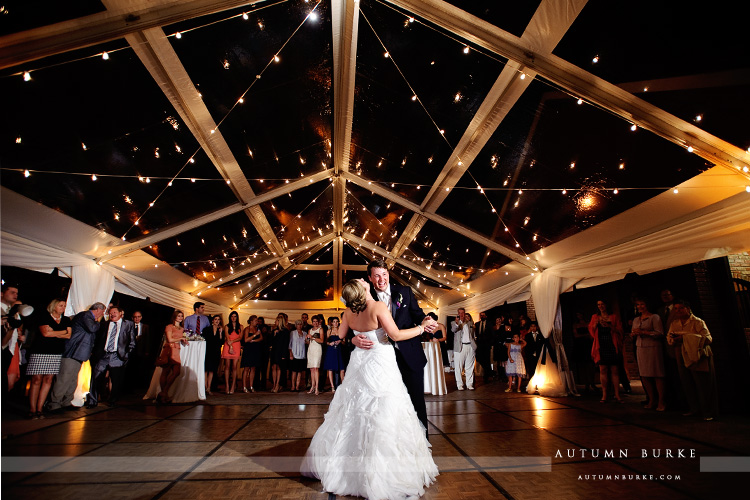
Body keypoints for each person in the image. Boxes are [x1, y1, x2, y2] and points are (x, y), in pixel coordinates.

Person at [301, 279, 438, 499]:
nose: (365, 279)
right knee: (384, 407)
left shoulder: (348, 312)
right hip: (381, 361)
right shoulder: (378, 307)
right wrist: (421, 328)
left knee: (353, 409)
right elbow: (395, 335)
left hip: (360, 363)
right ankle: (381, 471)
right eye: (362, 281)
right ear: (363, 289)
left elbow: (341, 336)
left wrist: (355, 338)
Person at [352, 259, 436, 433]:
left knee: (416, 402)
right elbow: (352, 325)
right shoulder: (365, 297)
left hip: (409, 356)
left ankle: (422, 446)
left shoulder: (404, 291)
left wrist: (426, 320)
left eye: (384, 274)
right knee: (386, 405)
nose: (381, 279)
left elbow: (418, 315)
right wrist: (353, 340)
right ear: (369, 278)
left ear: (388, 274)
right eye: (376, 276)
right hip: (381, 361)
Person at [47, 302, 106, 412]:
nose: (102, 314)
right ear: (98, 309)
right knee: (64, 378)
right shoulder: (86, 316)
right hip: (72, 351)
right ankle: (54, 403)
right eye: (102, 311)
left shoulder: (88, 317)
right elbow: (92, 328)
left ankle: (66, 401)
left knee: (73, 379)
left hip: (79, 353)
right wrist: (98, 322)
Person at [667, 300, 718, 421]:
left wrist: (686, 337)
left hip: (696, 354)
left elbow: (708, 338)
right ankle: (694, 408)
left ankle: (707, 411)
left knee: (702, 383)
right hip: (681, 353)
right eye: (676, 308)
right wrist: (675, 340)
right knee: (687, 382)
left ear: (688, 309)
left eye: (681, 308)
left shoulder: (697, 322)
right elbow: (669, 337)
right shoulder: (675, 323)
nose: (678, 311)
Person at [26, 299, 72, 419]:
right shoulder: (44, 317)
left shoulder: (66, 319)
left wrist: (54, 332)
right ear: (53, 306)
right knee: (36, 379)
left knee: (48, 379)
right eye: (60, 305)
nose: (63, 307)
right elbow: (45, 334)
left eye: (64, 306)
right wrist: (62, 332)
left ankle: (40, 408)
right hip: (40, 351)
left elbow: (69, 335)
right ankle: (32, 408)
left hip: (55, 352)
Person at [88, 305, 136, 407]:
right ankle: (92, 401)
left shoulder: (128, 324)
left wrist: (126, 355)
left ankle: (112, 400)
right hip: (104, 355)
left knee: (115, 380)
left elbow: (132, 341)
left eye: (114, 312)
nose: (112, 314)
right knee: (96, 378)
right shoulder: (104, 324)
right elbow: (98, 339)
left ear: (120, 314)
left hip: (117, 356)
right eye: (110, 313)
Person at [632, 298, 666, 411]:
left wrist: (644, 332)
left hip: (653, 347)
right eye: (638, 304)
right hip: (640, 347)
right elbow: (633, 331)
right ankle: (651, 399)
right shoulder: (636, 319)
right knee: (644, 374)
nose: (640, 306)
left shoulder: (654, 317)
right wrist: (634, 334)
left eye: (642, 304)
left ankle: (661, 401)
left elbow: (660, 333)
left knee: (657, 374)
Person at [589, 300, 625, 403]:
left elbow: (620, 330)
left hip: (612, 344)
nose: (601, 306)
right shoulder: (595, 317)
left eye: (602, 304)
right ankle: (604, 395)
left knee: (614, 370)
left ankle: (617, 394)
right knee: (603, 369)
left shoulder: (613, 317)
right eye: (599, 305)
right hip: (601, 346)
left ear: (606, 305)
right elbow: (591, 332)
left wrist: (609, 326)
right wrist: (595, 324)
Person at [2, 283, 31, 394]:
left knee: (8, 380)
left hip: (11, 347)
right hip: (7, 347)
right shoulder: (6, 313)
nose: (15, 295)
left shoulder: (15, 316)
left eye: (17, 293)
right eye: (12, 292)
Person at [155, 310, 186, 403]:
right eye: (179, 316)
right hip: (169, 349)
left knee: (176, 372)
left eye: (181, 316)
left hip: (177, 350)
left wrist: (185, 340)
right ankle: (164, 394)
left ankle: (164, 392)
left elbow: (182, 338)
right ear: (175, 317)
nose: (180, 318)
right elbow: (170, 339)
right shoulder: (169, 327)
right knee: (166, 371)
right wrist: (181, 338)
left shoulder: (182, 328)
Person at [452, 308, 476, 391]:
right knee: (458, 367)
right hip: (460, 347)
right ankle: (460, 384)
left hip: (470, 346)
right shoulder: (454, 323)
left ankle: (469, 384)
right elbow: (454, 329)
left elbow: (473, 334)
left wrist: (474, 345)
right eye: (460, 313)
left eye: (463, 313)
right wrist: (457, 323)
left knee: (470, 367)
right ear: (458, 314)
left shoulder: (470, 323)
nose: (461, 314)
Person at [573, 311, 596, 393]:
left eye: (580, 314)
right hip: (581, 345)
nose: (579, 316)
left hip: (588, 344)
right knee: (583, 365)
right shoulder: (576, 325)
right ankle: (586, 383)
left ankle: (592, 382)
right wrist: (586, 335)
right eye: (577, 315)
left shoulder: (588, 323)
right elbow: (576, 335)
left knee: (591, 364)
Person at [202, 314, 223, 395]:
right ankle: (204, 387)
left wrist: (221, 333)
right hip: (207, 351)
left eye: (218, 319)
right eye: (215, 319)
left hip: (216, 352)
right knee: (206, 370)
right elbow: (204, 339)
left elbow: (221, 342)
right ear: (212, 320)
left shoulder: (220, 330)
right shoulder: (207, 329)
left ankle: (208, 388)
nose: (217, 321)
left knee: (212, 370)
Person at [322, 316, 345, 392]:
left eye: (337, 321)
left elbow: (344, 342)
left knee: (342, 369)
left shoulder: (341, 330)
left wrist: (340, 341)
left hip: (339, 350)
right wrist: (330, 343)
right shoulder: (329, 331)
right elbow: (325, 341)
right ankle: (332, 386)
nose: (335, 323)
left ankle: (343, 384)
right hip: (331, 350)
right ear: (331, 323)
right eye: (334, 322)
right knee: (330, 368)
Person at [222, 311, 242, 394]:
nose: (233, 318)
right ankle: (227, 386)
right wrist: (230, 343)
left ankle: (233, 386)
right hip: (228, 345)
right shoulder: (227, 326)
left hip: (236, 345)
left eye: (235, 316)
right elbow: (227, 336)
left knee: (234, 367)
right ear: (230, 317)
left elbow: (240, 337)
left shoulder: (240, 326)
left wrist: (232, 341)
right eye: (232, 316)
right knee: (227, 366)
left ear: (237, 317)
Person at [241, 315, 262, 393]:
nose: (257, 322)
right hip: (248, 350)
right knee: (246, 368)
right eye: (256, 320)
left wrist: (254, 341)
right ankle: (244, 386)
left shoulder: (257, 328)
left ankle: (251, 385)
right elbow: (246, 340)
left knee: (253, 368)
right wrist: (255, 335)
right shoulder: (247, 329)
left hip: (255, 349)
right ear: (251, 321)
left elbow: (261, 338)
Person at [270, 314, 290, 393]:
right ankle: (274, 384)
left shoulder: (285, 331)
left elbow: (286, 343)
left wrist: (284, 354)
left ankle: (278, 384)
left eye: (276, 320)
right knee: (273, 367)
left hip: (281, 351)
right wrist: (274, 334)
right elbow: (271, 342)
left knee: (279, 367)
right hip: (274, 351)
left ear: (280, 322)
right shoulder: (274, 331)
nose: (275, 322)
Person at [522, 321, 545, 392]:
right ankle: (532, 384)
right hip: (531, 356)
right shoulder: (528, 336)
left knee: (539, 370)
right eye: (531, 326)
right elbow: (527, 347)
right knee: (531, 370)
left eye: (534, 326)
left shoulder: (541, 335)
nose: (533, 328)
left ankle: (539, 384)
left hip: (539, 355)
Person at [306, 314, 325, 395]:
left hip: (317, 349)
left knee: (316, 368)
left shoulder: (320, 329)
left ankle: (317, 387)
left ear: (318, 322)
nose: (315, 323)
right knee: (311, 369)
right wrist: (306, 338)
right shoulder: (310, 330)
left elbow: (321, 340)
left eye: (316, 321)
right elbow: (307, 342)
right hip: (311, 349)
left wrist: (312, 338)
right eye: (314, 322)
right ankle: (312, 386)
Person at [289, 319, 308, 391]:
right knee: (294, 371)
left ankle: (297, 386)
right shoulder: (292, 333)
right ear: (295, 325)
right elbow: (290, 344)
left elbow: (307, 342)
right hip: (294, 354)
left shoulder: (305, 333)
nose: (299, 326)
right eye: (298, 324)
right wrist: (291, 354)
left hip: (302, 354)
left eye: (300, 324)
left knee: (300, 371)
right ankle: (293, 386)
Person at [474, 311, 493, 382]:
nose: (482, 316)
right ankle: (490, 372)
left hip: (486, 345)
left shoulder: (489, 324)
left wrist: (490, 343)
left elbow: (492, 334)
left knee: (487, 360)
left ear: (486, 316)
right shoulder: (477, 324)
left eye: (483, 315)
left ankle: (486, 377)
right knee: (479, 359)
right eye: (481, 315)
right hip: (479, 345)